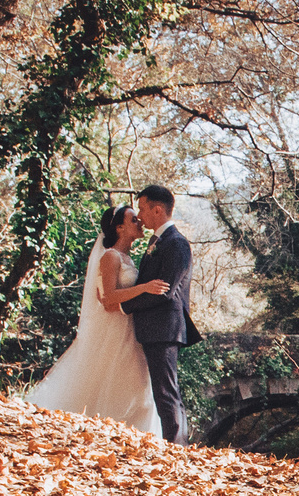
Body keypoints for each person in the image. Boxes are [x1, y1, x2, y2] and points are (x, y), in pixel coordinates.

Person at [24, 203, 169, 436]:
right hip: (115, 329)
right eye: (133, 219)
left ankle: (136, 436)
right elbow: (109, 299)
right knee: (118, 380)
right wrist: (145, 288)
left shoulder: (129, 258)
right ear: (119, 228)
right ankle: (105, 432)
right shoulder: (110, 257)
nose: (139, 222)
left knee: (139, 385)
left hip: (132, 328)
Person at [125, 184, 200, 444]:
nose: (139, 215)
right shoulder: (157, 241)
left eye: (143, 209)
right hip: (155, 328)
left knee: (167, 393)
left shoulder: (176, 243)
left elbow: (165, 291)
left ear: (158, 210)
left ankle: (176, 448)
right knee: (162, 391)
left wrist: (126, 305)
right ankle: (174, 445)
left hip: (165, 328)